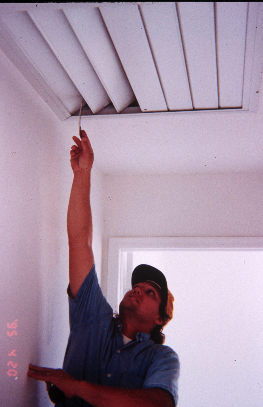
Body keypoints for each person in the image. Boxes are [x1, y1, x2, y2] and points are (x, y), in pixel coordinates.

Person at [28, 130, 180, 407]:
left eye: (150, 293)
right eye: (139, 285)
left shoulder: (162, 357)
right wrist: (83, 172)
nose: (138, 289)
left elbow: (157, 404)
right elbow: (79, 243)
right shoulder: (93, 316)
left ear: (160, 318)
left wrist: (76, 387)